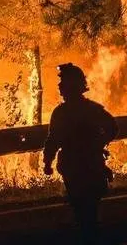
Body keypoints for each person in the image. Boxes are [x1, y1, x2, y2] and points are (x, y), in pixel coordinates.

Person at [43, 63, 118, 244]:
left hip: (78, 166)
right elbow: (112, 127)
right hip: (87, 165)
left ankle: (88, 235)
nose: (60, 86)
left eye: (63, 82)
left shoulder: (62, 112)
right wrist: (99, 143)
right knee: (88, 209)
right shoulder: (90, 109)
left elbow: (53, 140)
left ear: (73, 85)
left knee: (82, 208)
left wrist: (47, 163)